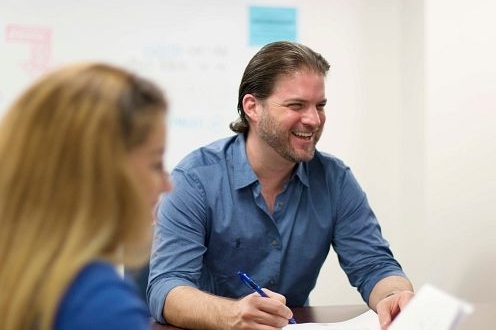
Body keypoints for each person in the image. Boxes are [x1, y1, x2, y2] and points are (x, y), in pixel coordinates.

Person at [148, 41, 414, 330]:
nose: (313, 119)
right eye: (296, 105)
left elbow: (374, 265)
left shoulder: (334, 179)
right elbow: (166, 286)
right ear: (253, 107)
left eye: (320, 105)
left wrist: (394, 296)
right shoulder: (195, 179)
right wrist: (233, 315)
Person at [0, 62, 172, 330]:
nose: (167, 185)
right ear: (101, 174)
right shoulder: (102, 305)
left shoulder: (20, 275)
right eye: (155, 163)